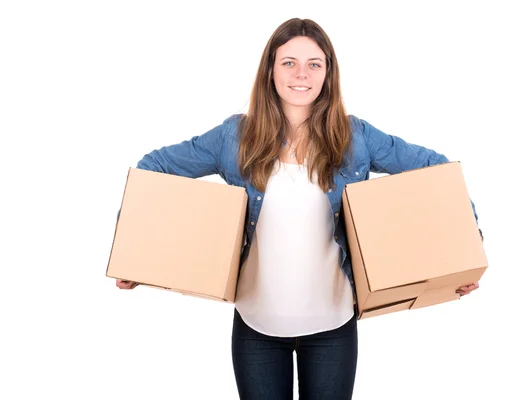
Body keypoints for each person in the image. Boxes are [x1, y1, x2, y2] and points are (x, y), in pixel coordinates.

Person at [115, 17, 482, 399]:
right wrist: (136, 258)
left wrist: (463, 254)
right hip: (256, 326)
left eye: (314, 63)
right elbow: (154, 168)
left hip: (333, 327)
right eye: (288, 62)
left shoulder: (354, 136)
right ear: (270, 70)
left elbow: (437, 171)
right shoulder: (234, 137)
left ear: (328, 72)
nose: (301, 74)